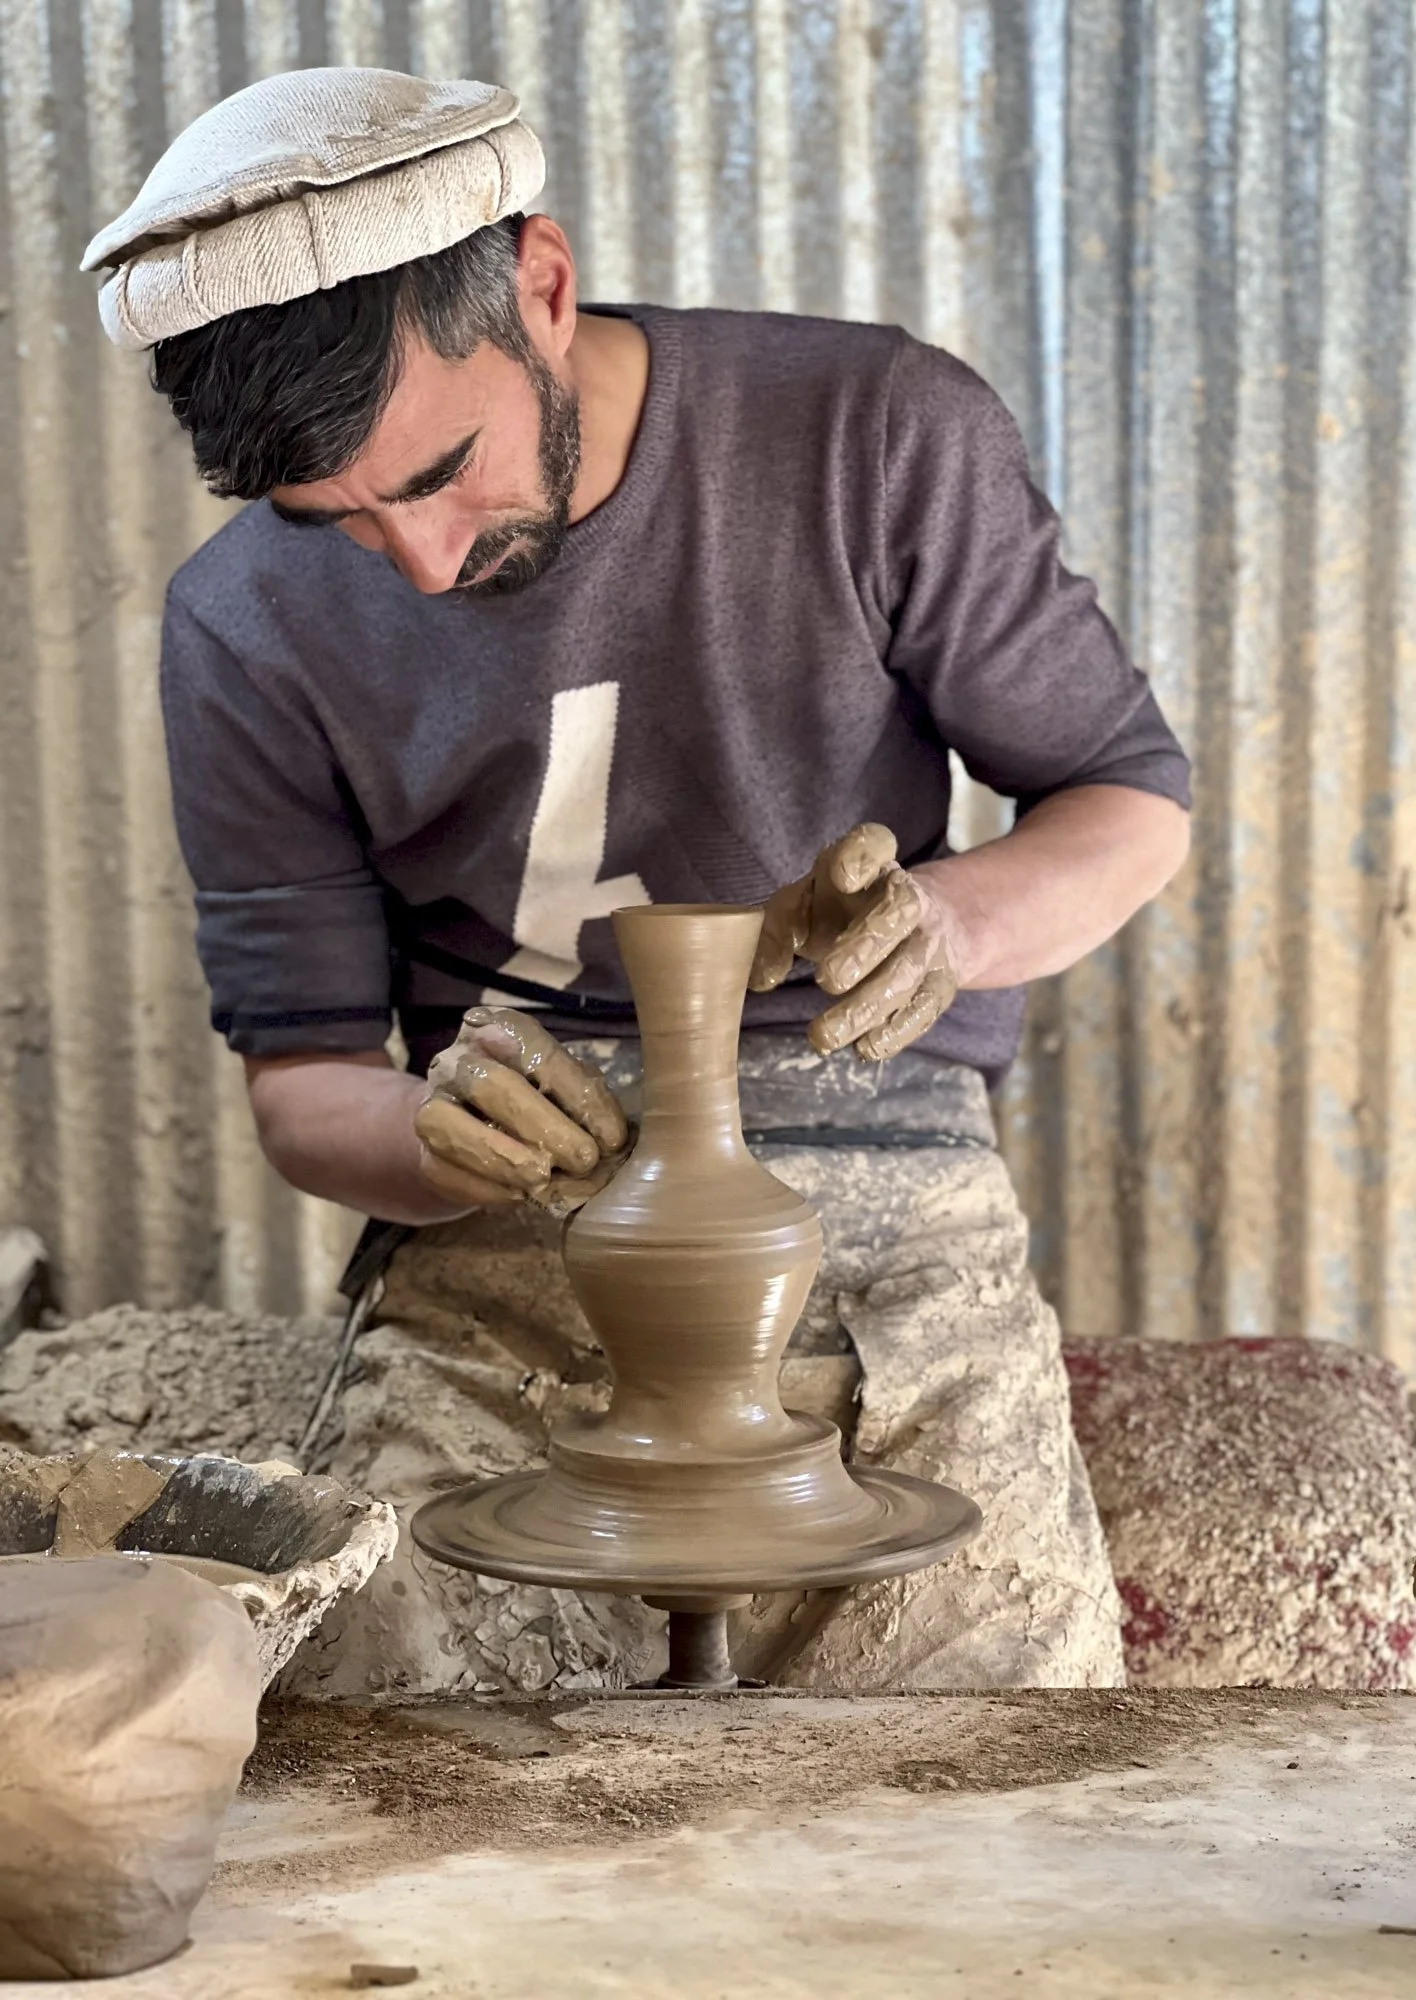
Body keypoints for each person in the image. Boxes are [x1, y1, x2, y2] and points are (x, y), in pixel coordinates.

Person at [85, 67, 1190, 1696]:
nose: (425, 562)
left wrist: (944, 925)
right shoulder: (242, 621)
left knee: (994, 1713)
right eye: (336, 520)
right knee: (403, 1714)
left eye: (440, 469)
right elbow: (307, 1080)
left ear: (540, 284)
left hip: (877, 1141)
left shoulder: (873, 433)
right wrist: (432, 1137)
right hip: (499, 1194)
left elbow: (1131, 801)